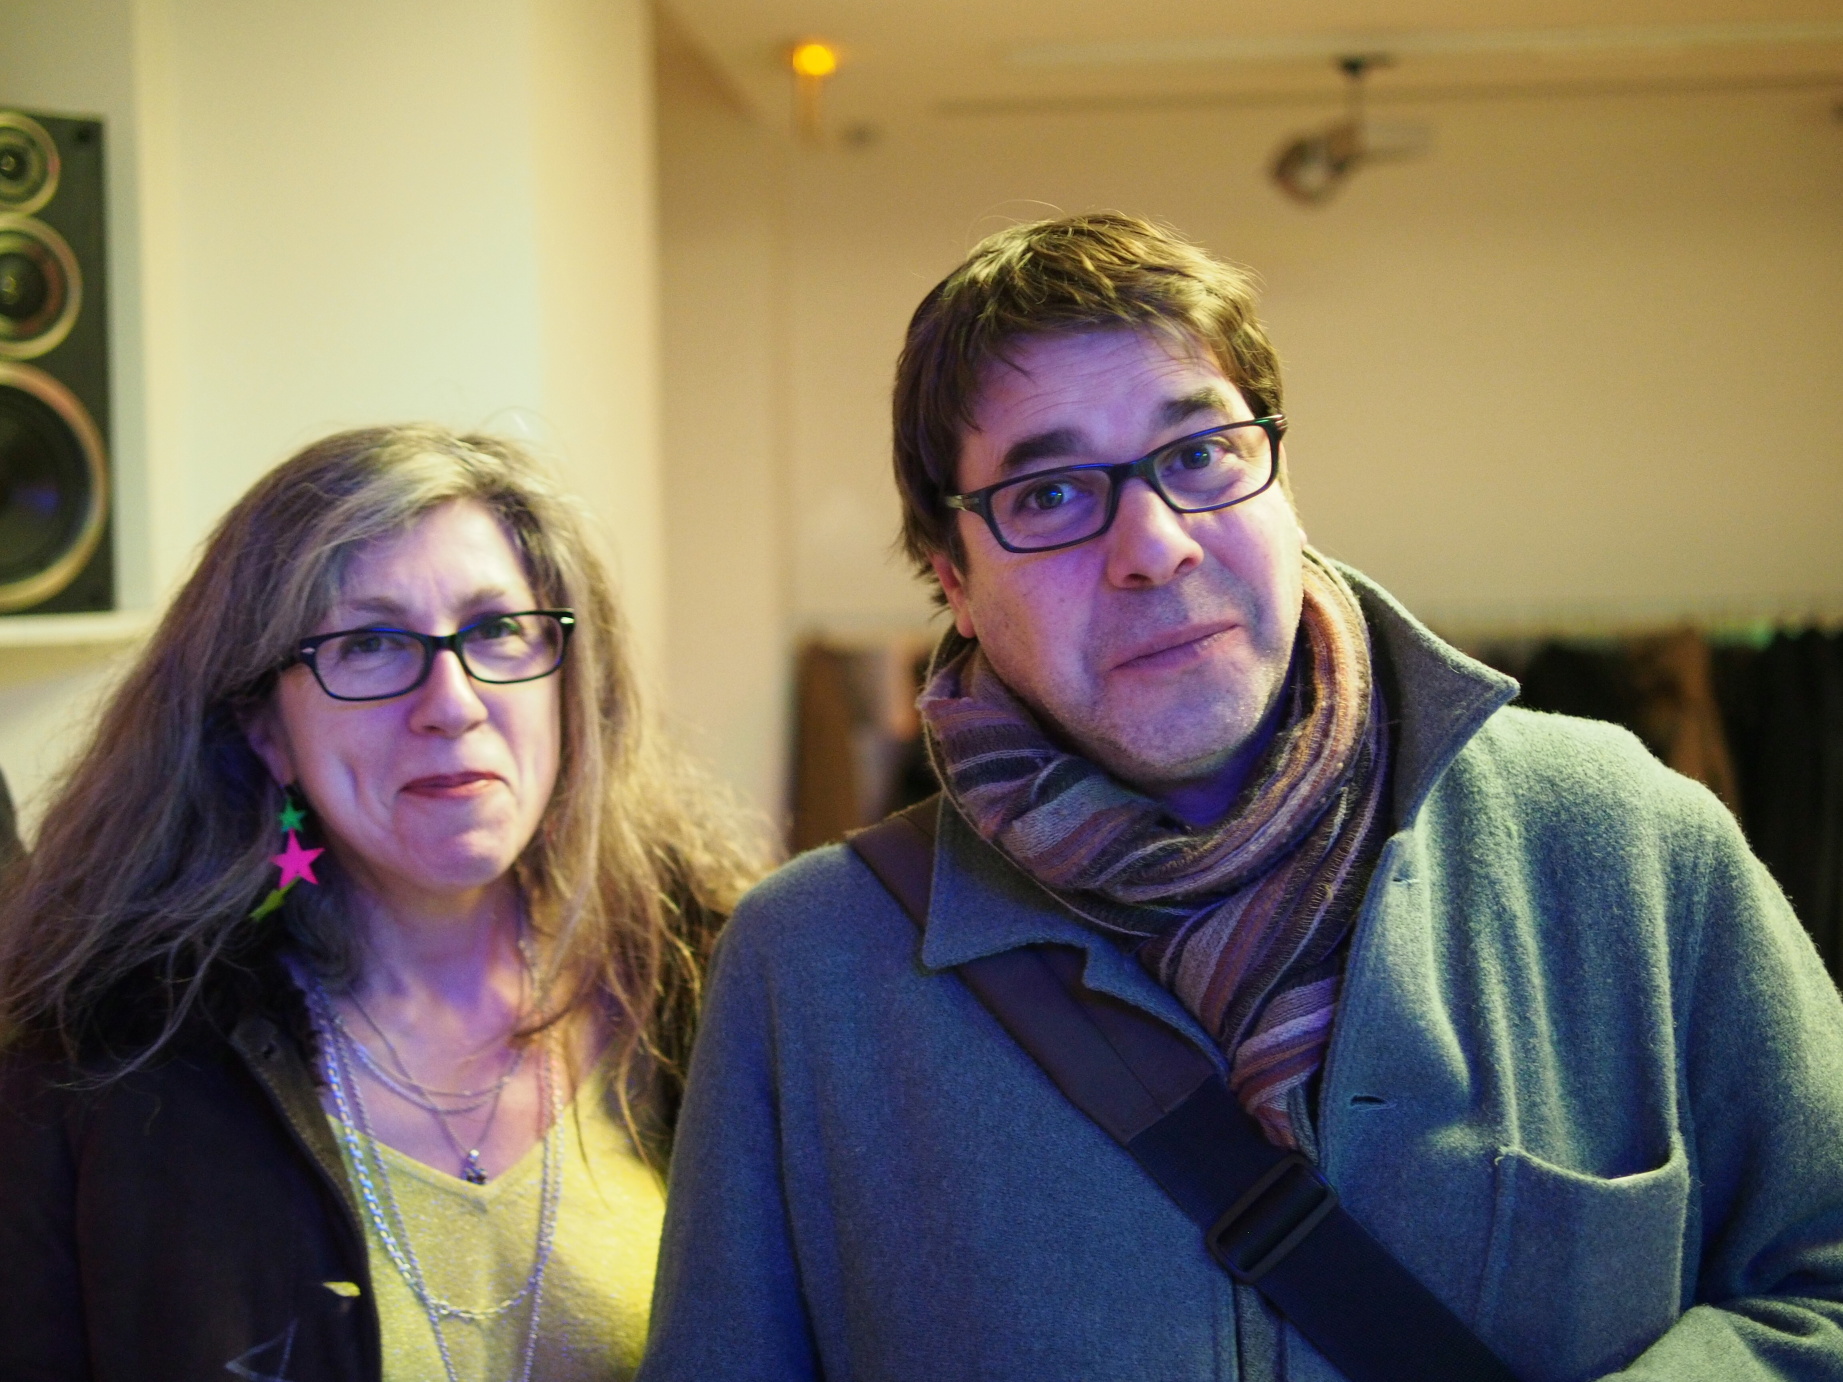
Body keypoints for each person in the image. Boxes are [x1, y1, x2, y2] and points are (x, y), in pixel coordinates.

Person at [639, 214, 1843, 1382]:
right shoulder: (809, 972)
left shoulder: (1623, 842)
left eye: (1198, 452)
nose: (1153, 544)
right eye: (1049, 493)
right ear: (954, 577)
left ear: (1278, 475)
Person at [0, 425, 766, 1382]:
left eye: (496, 630)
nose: (451, 702)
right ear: (265, 728)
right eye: (368, 643)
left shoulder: (716, 988)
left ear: (573, 685)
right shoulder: (111, 1066)